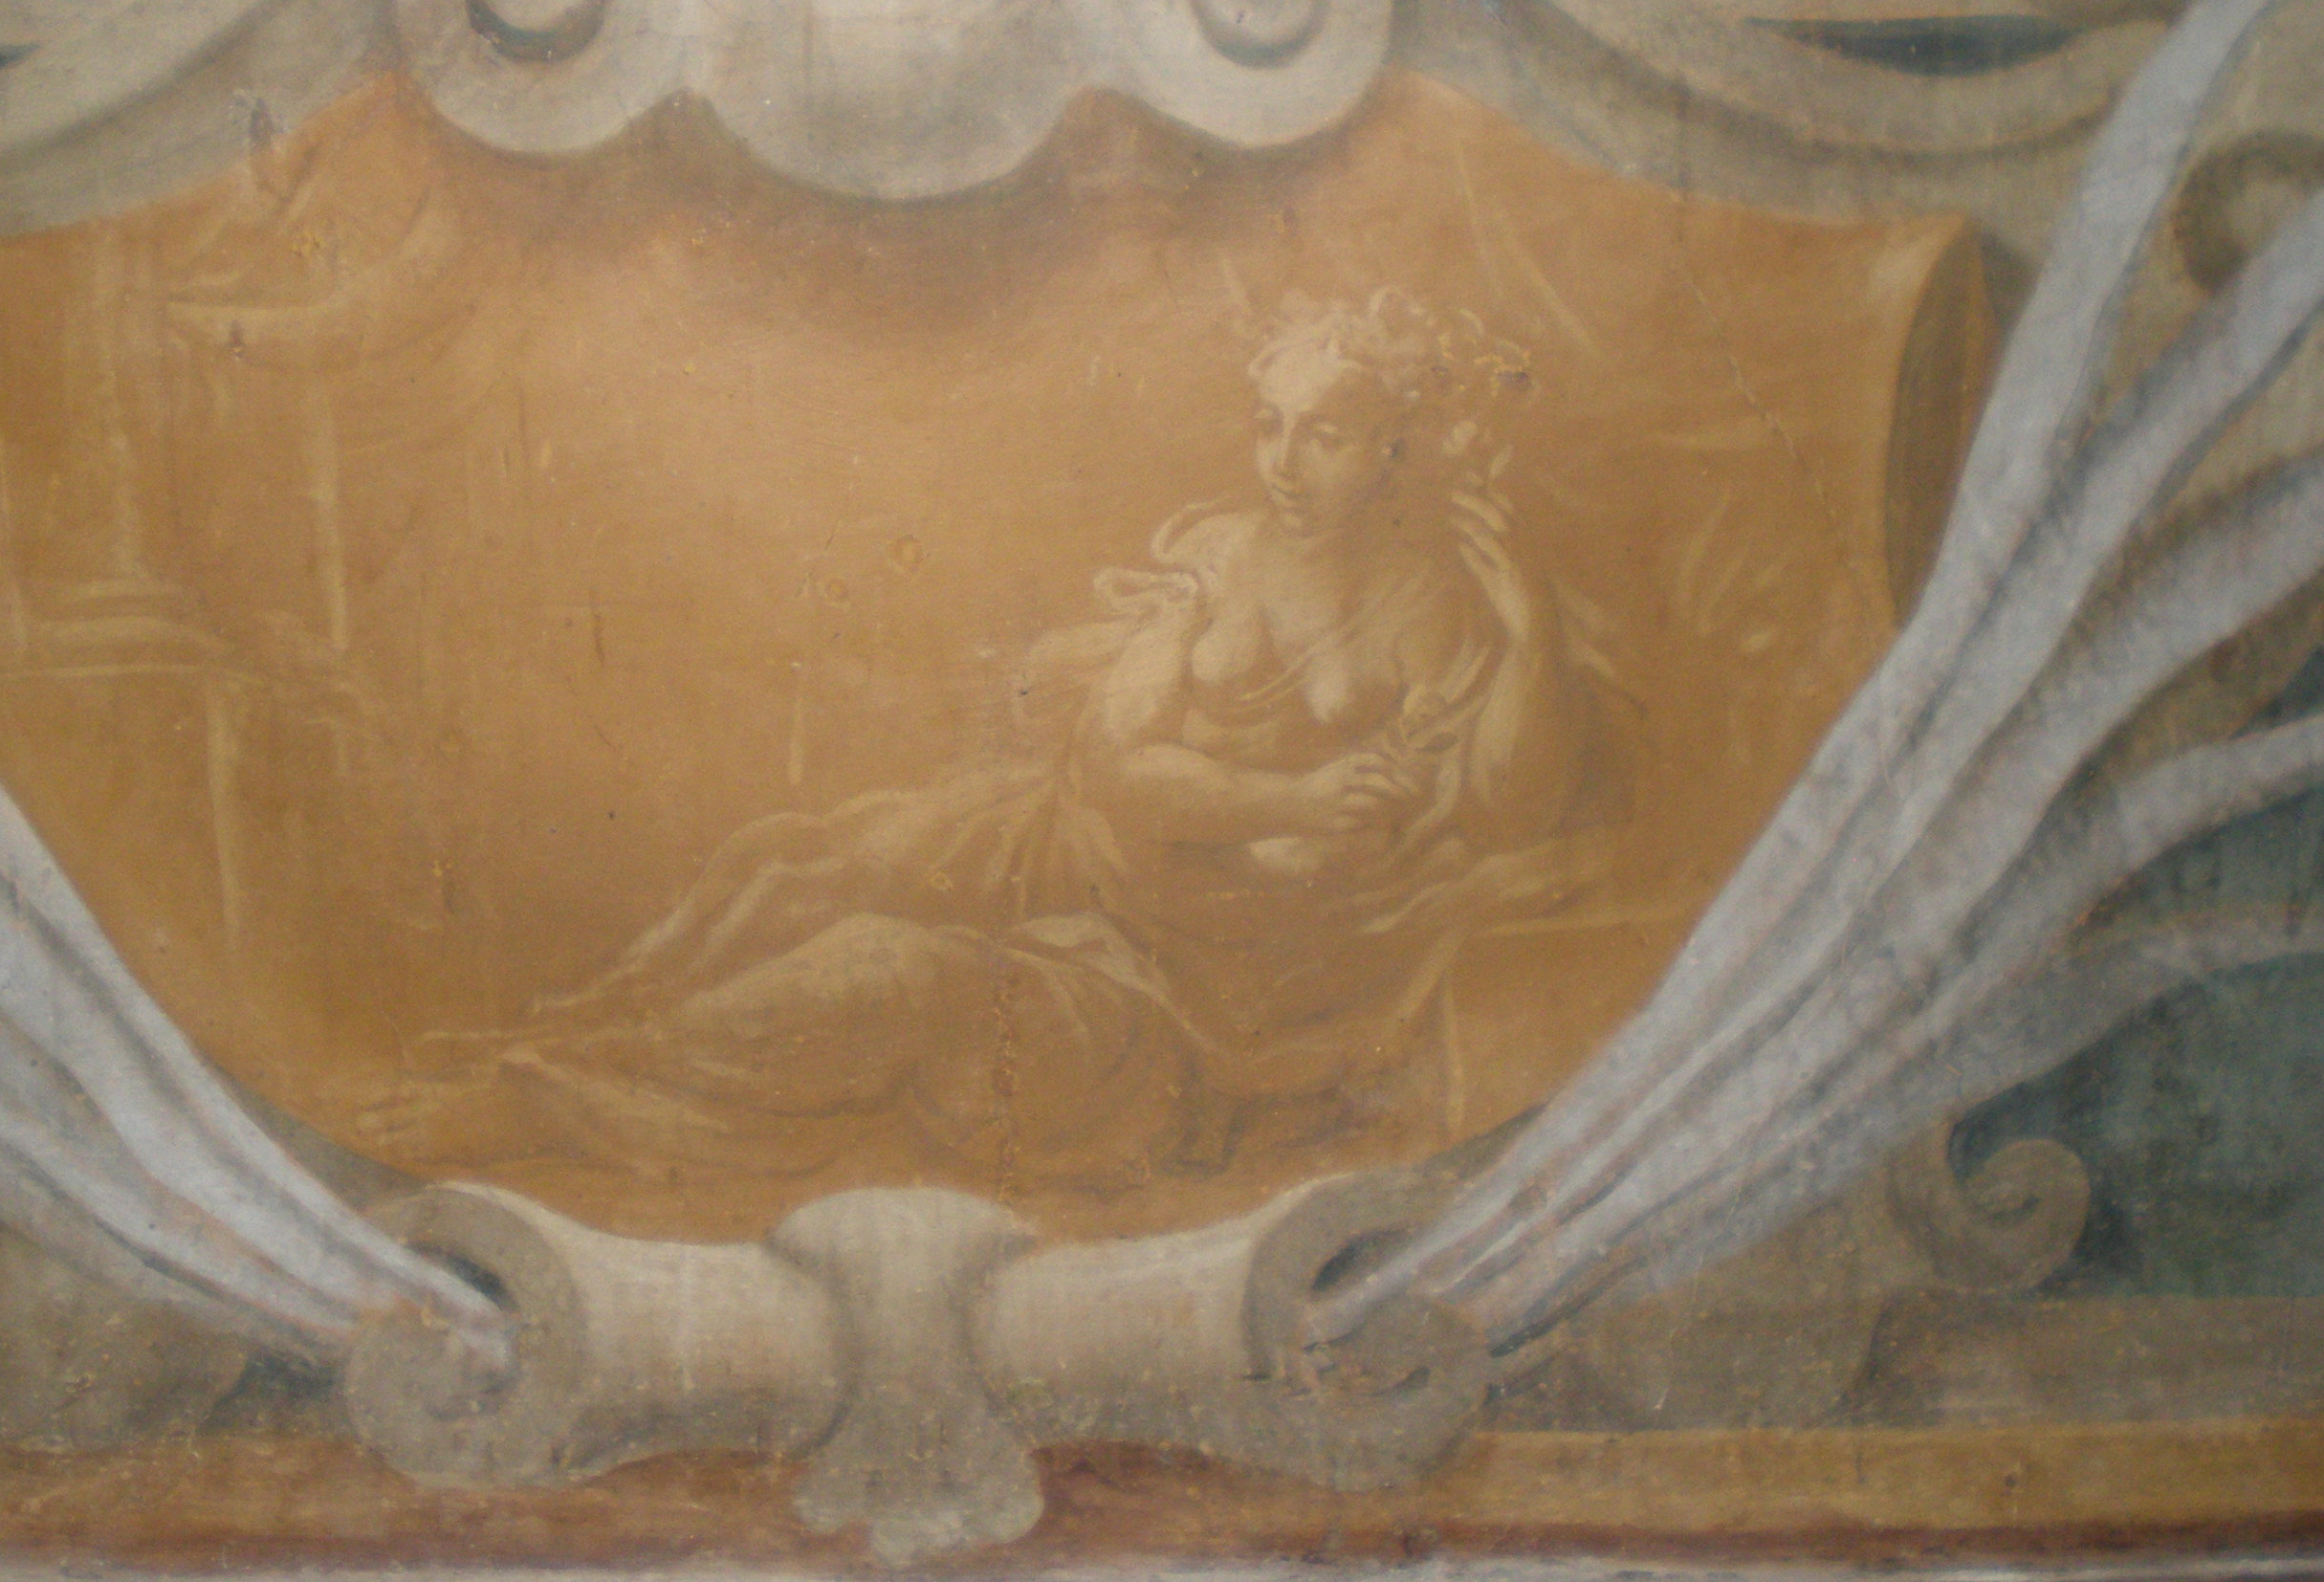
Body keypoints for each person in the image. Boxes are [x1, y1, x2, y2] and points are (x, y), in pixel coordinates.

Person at [353, 289, 1618, 1195]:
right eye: (1268, 424)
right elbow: (1115, 762)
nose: (1283, 463)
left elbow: (1505, 811)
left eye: (1324, 435)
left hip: (1195, 981)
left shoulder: (1439, 608)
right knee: (803, 870)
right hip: (1067, 847)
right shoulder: (1223, 550)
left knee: (881, 971)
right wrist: (1295, 799)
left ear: (1397, 445)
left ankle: (544, 1102)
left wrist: (1535, 637)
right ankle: (572, 1036)